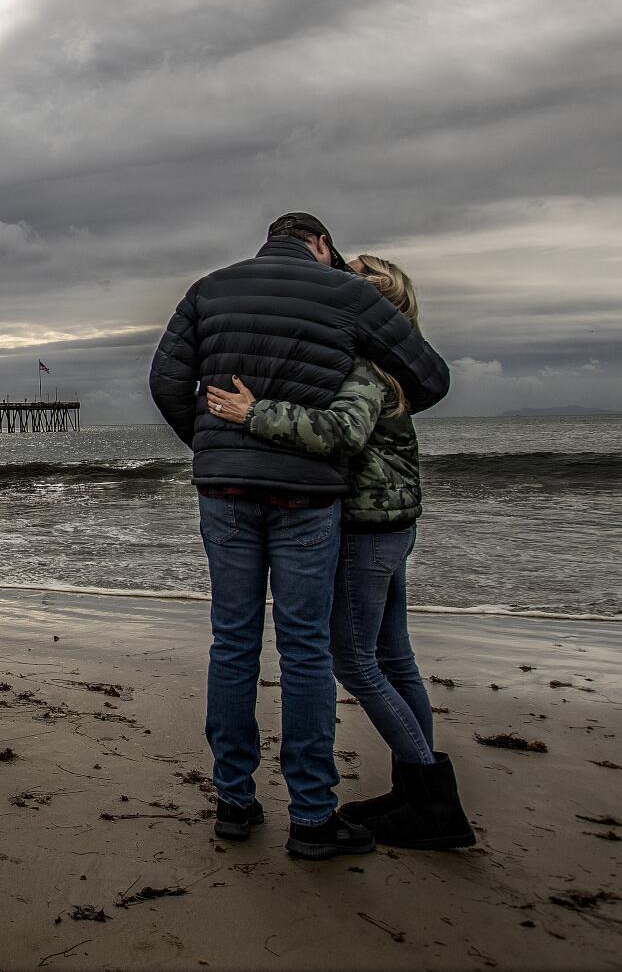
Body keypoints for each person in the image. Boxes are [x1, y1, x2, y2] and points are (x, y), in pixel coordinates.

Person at [148, 212, 450, 860]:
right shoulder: (347, 294)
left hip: (224, 492)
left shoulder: (209, 287)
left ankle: (234, 801)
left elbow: (167, 382)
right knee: (307, 649)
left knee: (232, 643)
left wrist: (216, 446)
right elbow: (430, 375)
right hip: (309, 493)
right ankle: (312, 815)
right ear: (319, 243)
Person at [204, 254, 475, 849]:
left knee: (354, 661)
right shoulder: (387, 367)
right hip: (392, 523)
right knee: (395, 659)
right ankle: (415, 792)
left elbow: (343, 433)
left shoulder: (362, 371)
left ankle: (431, 797)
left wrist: (253, 414)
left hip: (365, 529)